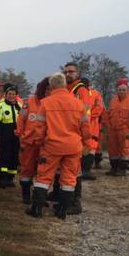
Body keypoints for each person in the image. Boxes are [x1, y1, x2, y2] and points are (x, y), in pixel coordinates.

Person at [28, 73, 90, 220]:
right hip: (73, 147)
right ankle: (62, 210)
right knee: (69, 179)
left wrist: (39, 141)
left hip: (52, 146)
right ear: (63, 84)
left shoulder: (46, 103)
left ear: (52, 86)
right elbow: (86, 127)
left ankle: (36, 209)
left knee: (43, 177)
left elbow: (40, 126)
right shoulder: (77, 103)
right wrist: (85, 142)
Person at [63, 62, 93, 214]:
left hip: (78, 135)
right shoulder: (67, 89)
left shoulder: (80, 90)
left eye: (71, 72)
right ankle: (69, 200)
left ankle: (75, 203)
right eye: (66, 72)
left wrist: (84, 137)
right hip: (69, 134)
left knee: (75, 170)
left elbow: (85, 115)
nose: (68, 74)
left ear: (77, 73)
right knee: (71, 169)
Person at [17, 77, 50, 204]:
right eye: (46, 89)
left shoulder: (51, 103)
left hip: (45, 144)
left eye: (51, 89)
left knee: (43, 171)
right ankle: (26, 194)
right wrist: (21, 136)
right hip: (29, 142)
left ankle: (40, 197)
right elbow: (21, 120)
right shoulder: (29, 102)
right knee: (27, 169)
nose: (48, 91)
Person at [104, 80, 129, 176]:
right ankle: (114, 167)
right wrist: (107, 125)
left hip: (124, 129)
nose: (121, 91)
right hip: (112, 129)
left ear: (127, 90)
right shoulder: (113, 100)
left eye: (124, 90)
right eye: (120, 89)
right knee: (112, 149)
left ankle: (122, 169)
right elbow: (107, 113)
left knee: (125, 148)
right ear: (117, 90)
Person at [0, 84, 21, 189]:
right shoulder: (0, 106)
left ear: (16, 95)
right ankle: (3, 179)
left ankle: (10, 179)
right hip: (5, 135)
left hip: (16, 136)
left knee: (14, 157)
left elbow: (23, 119)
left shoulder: (19, 105)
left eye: (13, 94)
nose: (11, 96)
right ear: (6, 95)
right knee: (4, 157)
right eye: (9, 94)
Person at [79, 77, 104, 180]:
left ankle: (86, 170)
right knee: (83, 146)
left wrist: (89, 117)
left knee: (91, 146)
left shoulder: (95, 94)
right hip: (82, 123)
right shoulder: (79, 93)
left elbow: (99, 107)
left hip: (91, 124)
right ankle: (82, 169)